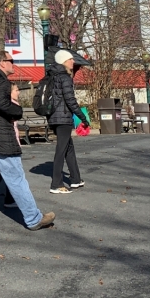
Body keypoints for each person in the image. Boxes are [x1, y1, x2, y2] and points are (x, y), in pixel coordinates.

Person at [0, 50, 54, 238]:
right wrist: (18, 110)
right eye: (11, 60)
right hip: (2, 141)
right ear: (2, 64)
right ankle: (33, 219)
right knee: (16, 180)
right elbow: (2, 105)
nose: (13, 63)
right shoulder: (2, 82)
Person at [47, 50, 86, 194]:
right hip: (63, 117)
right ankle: (56, 183)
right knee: (61, 149)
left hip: (54, 116)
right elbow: (70, 100)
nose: (73, 61)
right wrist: (82, 117)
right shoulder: (64, 77)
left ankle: (76, 179)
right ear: (64, 61)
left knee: (68, 148)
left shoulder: (52, 76)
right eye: (70, 59)